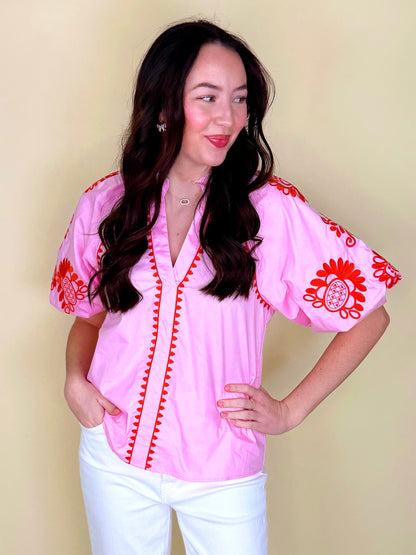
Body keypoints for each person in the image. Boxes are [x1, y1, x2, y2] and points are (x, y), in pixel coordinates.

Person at [50, 19, 400, 555]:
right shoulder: (106, 203)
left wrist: (290, 410)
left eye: (239, 99)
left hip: (221, 467)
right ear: (163, 104)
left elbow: (370, 314)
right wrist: (75, 381)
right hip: (114, 454)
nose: (228, 118)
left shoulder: (269, 212)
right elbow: (90, 315)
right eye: (208, 97)